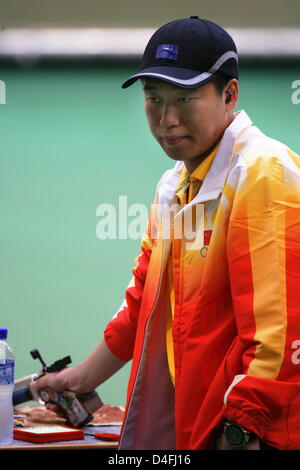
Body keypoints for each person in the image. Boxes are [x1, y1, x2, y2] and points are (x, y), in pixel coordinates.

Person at [31, 17, 300, 450]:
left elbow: (283, 331)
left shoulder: (262, 172)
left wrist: (240, 430)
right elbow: (144, 301)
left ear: (229, 94)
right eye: (153, 98)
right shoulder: (173, 186)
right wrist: (79, 378)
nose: (166, 119)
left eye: (185, 98)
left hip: (253, 433)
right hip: (200, 425)